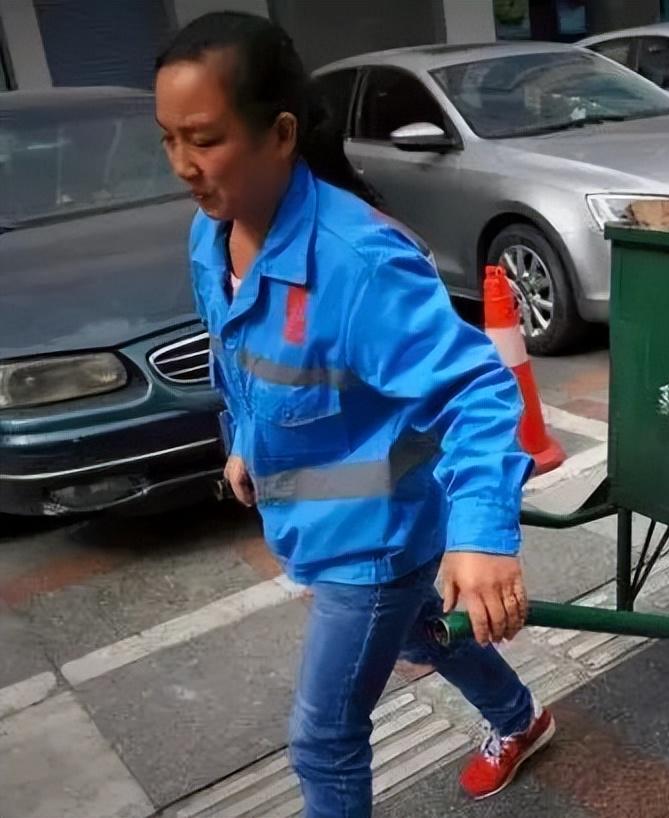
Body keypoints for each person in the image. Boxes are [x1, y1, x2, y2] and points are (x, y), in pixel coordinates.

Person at [154, 13, 552, 815]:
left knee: (323, 737)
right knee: (419, 635)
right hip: (320, 520)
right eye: (167, 140)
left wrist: (479, 536)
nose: (184, 167)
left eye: (204, 139)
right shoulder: (213, 235)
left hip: (374, 542)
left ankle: (514, 716)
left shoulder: (359, 263)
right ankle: (520, 718)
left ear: (280, 134)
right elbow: (237, 355)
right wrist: (244, 443)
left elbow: (477, 389)